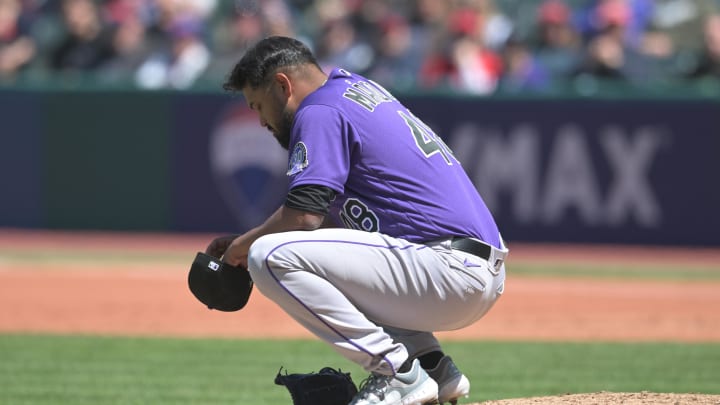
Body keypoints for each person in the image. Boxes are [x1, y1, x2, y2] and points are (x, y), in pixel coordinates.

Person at [208, 36, 508, 405]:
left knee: (267, 256)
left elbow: (304, 215)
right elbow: (320, 231)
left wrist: (244, 244)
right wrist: (250, 236)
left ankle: (397, 372)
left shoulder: (317, 110)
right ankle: (431, 367)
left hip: (446, 268)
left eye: (258, 105)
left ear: (283, 85)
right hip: (470, 269)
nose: (261, 121)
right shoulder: (354, 89)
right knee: (322, 256)